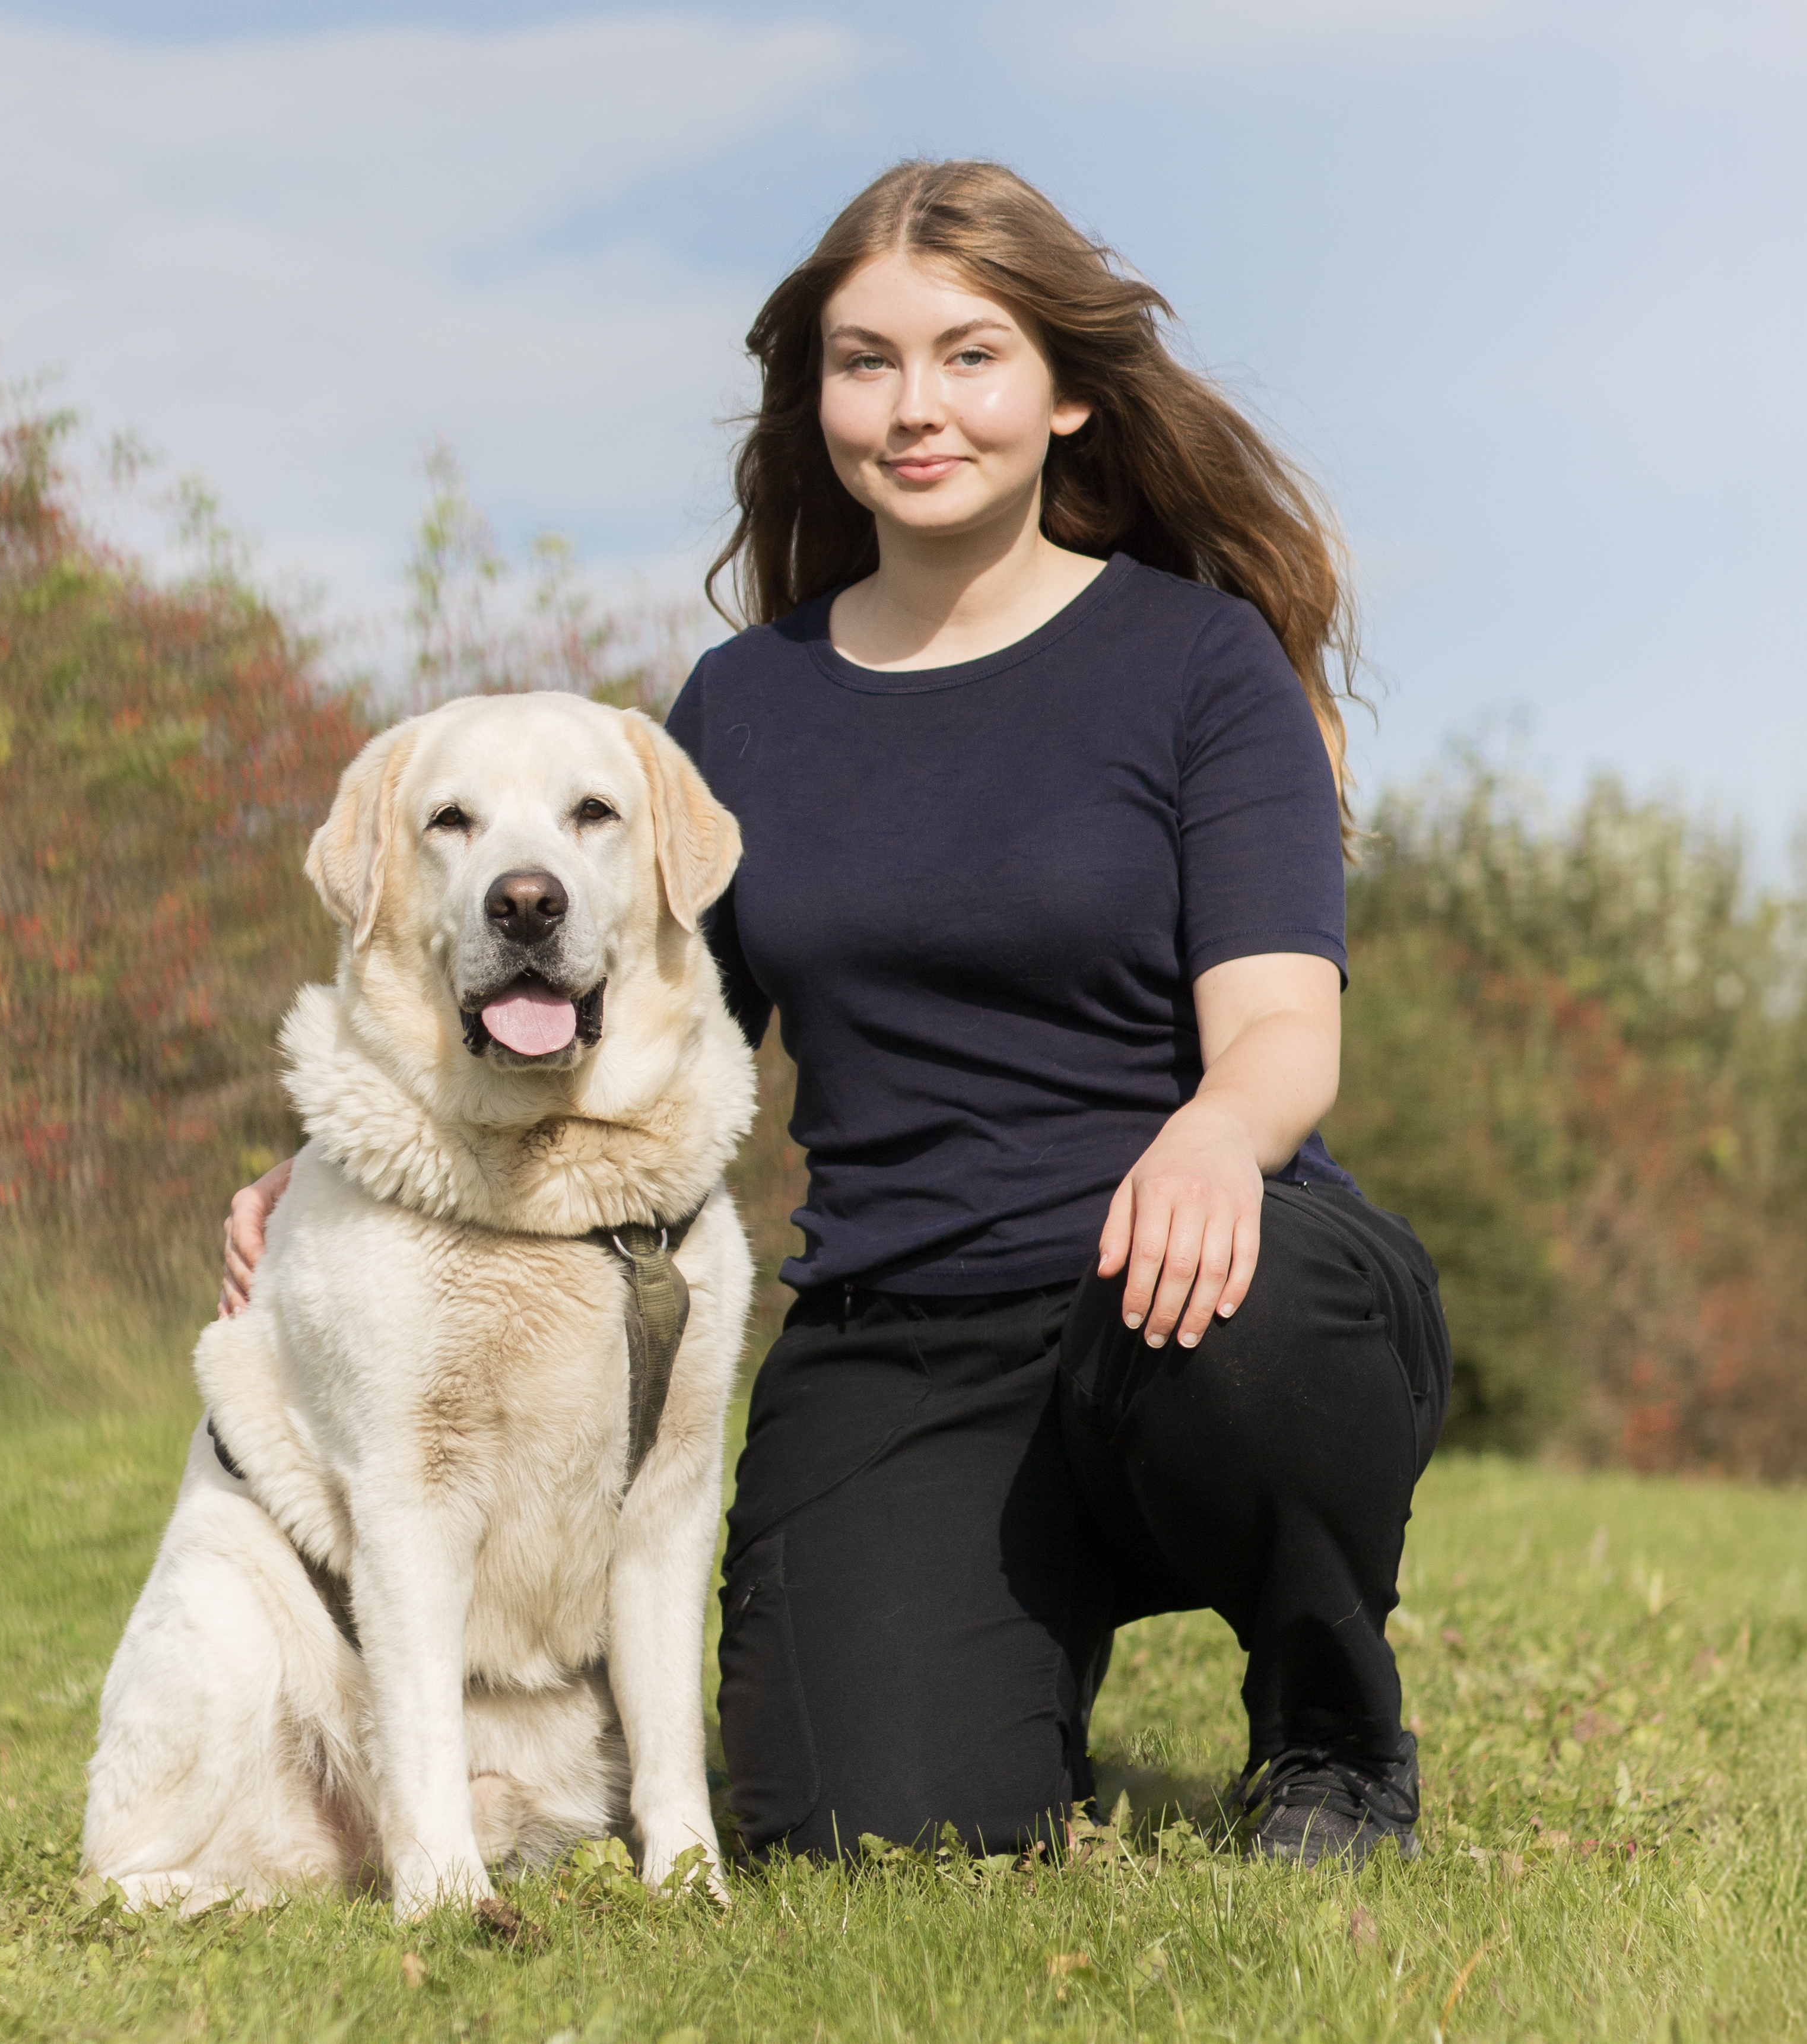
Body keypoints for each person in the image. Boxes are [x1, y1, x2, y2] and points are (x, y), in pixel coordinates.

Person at [224, 158, 1447, 1865]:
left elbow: (1279, 1033)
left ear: (1068, 391)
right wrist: (337, 1169)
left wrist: (1212, 1141)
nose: (914, 405)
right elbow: (605, 1032)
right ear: (817, 401)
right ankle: (1006, 1646)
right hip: (902, 1332)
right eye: (864, 362)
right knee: (870, 1833)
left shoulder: (1197, 664)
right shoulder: (747, 704)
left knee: (1265, 1325)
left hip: (1182, 1281)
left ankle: (1327, 1731)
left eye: (969, 355)